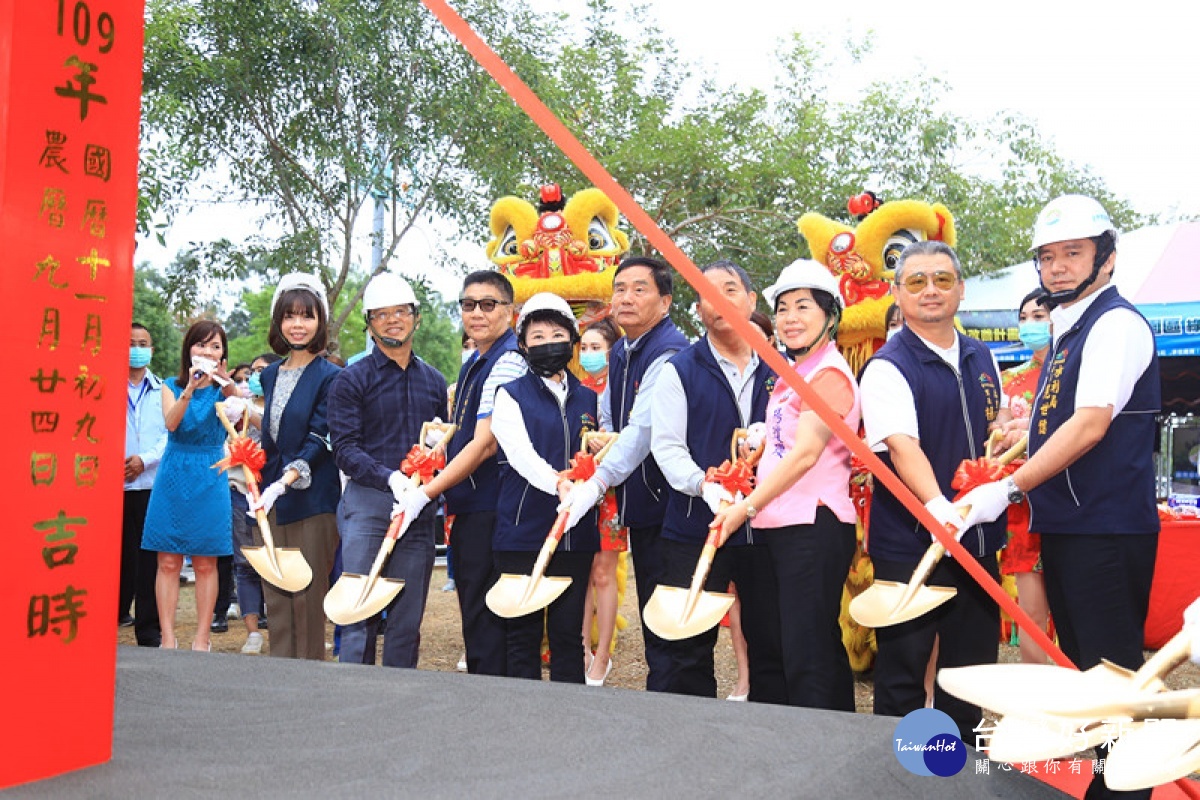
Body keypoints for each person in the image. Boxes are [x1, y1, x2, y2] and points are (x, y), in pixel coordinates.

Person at [955, 195, 1160, 800]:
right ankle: (1105, 782)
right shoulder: (1069, 327)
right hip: (1073, 525)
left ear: (1107, 257)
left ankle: (1123, 791)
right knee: (1089, 674)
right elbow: (1070, 417)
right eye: (1047, 257)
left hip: (1106, 526)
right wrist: (1028, 432)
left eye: (1074, 253)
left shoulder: (1114, 323)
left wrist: (1008, 486)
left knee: (1112, 679)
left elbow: (1091, 423)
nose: (1058, 267)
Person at [858, 240, 1009, 742]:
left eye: (942, 280)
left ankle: (956, 773)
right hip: (912, 546)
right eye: (916, 281)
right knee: (903, 674)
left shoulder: (981, 355)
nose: (930, 291)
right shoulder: (887, 366)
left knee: (968, 677)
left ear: (960, 290)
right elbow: (903, 448)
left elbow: (993, 425)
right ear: (898, 294)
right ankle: (897, 779)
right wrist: (939, 507)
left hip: (978, 543)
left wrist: (1008, 429)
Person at [713, 259, 860, 711]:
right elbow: (782, 445)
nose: (790, 318)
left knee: (808, 650)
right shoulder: (794, 374)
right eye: (782, 308)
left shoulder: (829, 374)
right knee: (779, 647)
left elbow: (805, 454)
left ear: (830, 316)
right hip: (780, 526)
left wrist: (745, 509)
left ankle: (826, 745)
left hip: (813, 525)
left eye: (803, 306)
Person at [649, 259, 780, 700]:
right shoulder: (679, 369)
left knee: (771, 637)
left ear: (751, 300)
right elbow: (666, 447)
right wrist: (704, 486)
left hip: (768, 526)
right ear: (699, 309)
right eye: (708, 292)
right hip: (695, 524)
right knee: (685, 644)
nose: (720, 299)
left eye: (730, 288)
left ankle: (774, 728)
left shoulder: (782, 371)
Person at [563, 256, 689, 692]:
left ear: (666, 300)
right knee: (653, 602)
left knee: (670, 611)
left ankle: (676, 700)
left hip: (673, 501)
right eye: (620, 288)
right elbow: (613, 418)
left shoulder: (669, 352)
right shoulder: (621, 350)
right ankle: (663, 695)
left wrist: (599, 480)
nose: (626, 298)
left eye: (640, 289)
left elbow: (642, 430)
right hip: (643, 500)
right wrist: (597, 439)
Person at [397, 271, 525, 676]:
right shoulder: (477, 360)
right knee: (477, 611)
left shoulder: (507, 361)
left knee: (489, 618)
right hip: (472, 504)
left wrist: (426, 491)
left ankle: (496, 711)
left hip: (494, 506)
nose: (477, 313)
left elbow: (486, 443)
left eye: (488, 304)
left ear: (511, 312)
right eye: (468, 305)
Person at [328, 272, 448, 668]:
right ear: (369, 323)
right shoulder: (351, 380)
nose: (392, 320)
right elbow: (344, 449)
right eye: (381, 315)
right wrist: (390, 477)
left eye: (401, 311)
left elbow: (438, 444)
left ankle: (399, 697)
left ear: (416, 317)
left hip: (417, 509)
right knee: (359, 609)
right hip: (367, 504)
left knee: (407, 616)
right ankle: (354, 694)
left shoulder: (433, 381)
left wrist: (424, 483)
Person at [490, 293, 600, 682]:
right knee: (523, 635)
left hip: (576, 533)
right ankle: (524, 722)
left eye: (557, 334)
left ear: (572, 339)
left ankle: (569, 719)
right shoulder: (510, 395)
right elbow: (520, 455)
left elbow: (599, 455)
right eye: (537, 337)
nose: (547, 343)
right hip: (524, 532)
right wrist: (558, 485)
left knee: (569, 633)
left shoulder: (590, 398)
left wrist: (593, 477)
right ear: (522, 345)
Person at [247, 274, 343, 660]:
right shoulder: (269, 374)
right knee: (277, 594)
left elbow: (321, 436)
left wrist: (287, 479)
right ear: (278, 322)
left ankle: (309, 683)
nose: (297, 325)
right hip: (271, 499)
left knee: (306, 595)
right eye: (289, 316)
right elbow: (276, 433)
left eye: (306, 316)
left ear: (320, 321)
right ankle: (280, 677)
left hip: (312, 499)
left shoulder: (332, 376)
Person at [142, 320, 244, 650]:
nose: (207, 352)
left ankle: (202, 638)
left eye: (215, 347)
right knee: (168, 561)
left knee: (205, 561)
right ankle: (168, 637)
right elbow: (172, 424)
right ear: (190, 349)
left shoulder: (224, 389)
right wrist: (190, 388)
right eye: (202, 345)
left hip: (210, 472)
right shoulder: (170, 385)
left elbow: (240, 418)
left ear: (222, 355)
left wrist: (226, 385)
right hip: (173, 472)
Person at [997, 287, 1054, 664]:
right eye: (1023, 317)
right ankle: (1040, 700)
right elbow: (997, 435)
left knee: (1077, 611)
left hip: (1071, 500)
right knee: (1032, 613)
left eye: (1039, 316)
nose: (1030, 324)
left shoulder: (1074, 371)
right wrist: (1003, 432)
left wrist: (1033, 430)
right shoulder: (1009, 380)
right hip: (1024, 506)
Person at [576, 316, 625, 685]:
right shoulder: (575, 389)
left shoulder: (623, 388)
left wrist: (608, 439)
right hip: (578, 486)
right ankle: (581, 648)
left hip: (611, 491)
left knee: (603, 574)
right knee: (580, 573)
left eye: (597, 347)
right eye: (585, 348)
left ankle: (603, 654)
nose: (590, 354)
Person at [122, 323, 167, 647]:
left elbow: (170, 434)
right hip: (113, 486)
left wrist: (144, 460)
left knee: (149, 558)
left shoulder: (162, 389)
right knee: (117, 558)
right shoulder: (102, 386)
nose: (137, 348)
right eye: (131, 343)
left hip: (150, 482)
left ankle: (149, 629)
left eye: (143, 343)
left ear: (151, 350)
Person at [232, 351, 280, 653]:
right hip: (240, 493)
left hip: (275, 497)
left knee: (274, 563)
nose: (256, 376)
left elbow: (280, 437)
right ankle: (252, 631)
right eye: (254, 371)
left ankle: (280, 627)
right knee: (245, 563)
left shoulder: (284, 408)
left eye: (264, 371)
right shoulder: (237, 408)